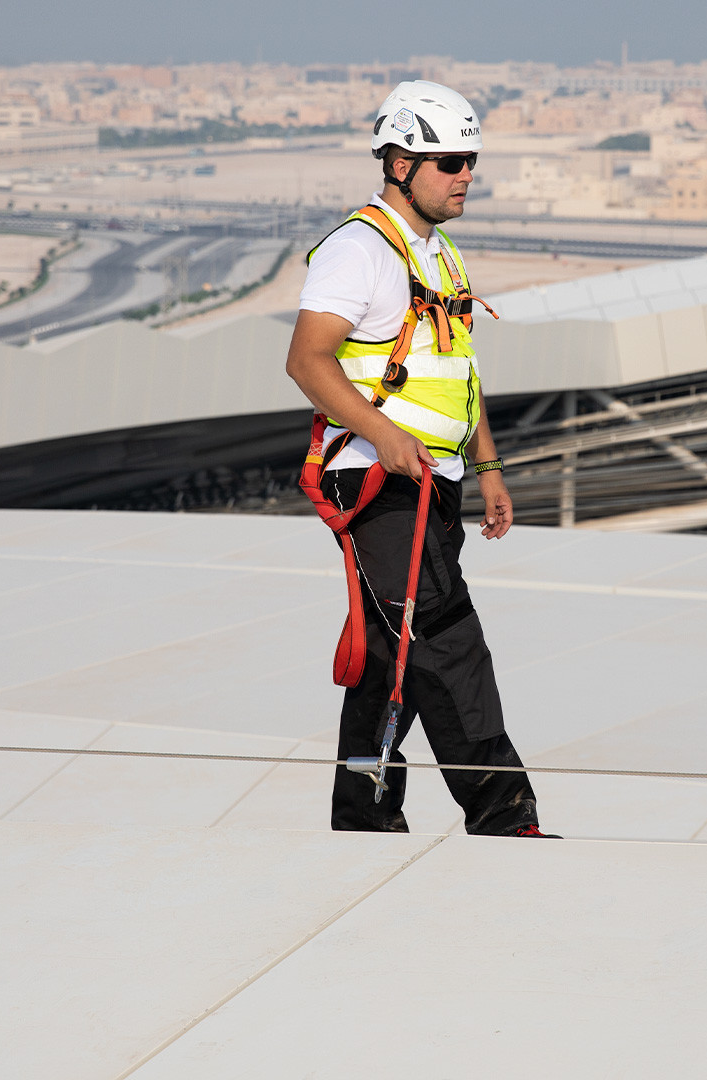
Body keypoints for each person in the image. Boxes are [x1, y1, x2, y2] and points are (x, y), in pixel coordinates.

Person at [285, 80, 555, 838]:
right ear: (400, 162)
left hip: (434, 481)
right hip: (378, 479)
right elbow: (307, 361)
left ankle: (363, 819)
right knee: (446, 635)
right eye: (450, 162)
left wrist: (490, 466)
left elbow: (459, 376)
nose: (466, 174)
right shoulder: (359, 250)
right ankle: (505, 817)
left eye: (471, 160)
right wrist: (386, 434)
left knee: (388, 654)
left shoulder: (438, 254)